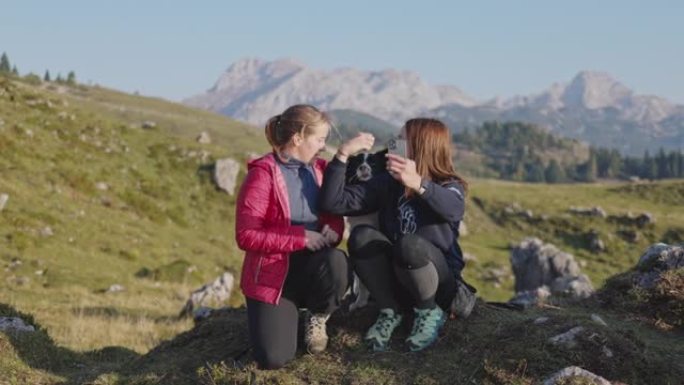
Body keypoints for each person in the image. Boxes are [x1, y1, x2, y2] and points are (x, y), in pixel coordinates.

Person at [319, 118, 473, 352]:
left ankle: (429, 311)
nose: (393, 145)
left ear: (420, 146)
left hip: (440, 285)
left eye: (401, 140)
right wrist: (342, 155)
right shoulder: (389, 184)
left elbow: (453, 209)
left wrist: (419, 184)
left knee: (409, 245)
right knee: (361, 236)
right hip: (399, 281)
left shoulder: (448, 184)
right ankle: (390, 310)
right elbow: (333, 202)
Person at [235, 104, 349, 369]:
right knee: (273, 358)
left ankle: (318, 316)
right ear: (298, 138)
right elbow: (246, 235)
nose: (323, 146)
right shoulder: (261, 174)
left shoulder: (321, 170)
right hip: (273, 278)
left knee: (337, 260)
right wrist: (301, 238)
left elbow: (333, 214)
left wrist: (333, 230)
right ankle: (283, 316)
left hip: (314, 269)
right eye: (319, 139)